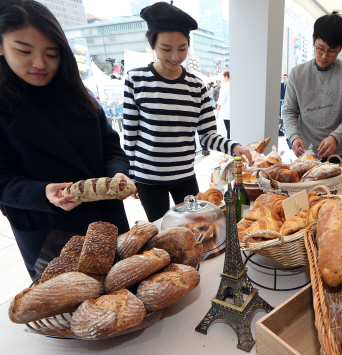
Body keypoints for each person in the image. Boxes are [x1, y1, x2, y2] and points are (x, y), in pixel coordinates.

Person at [0, 0, 131, 280]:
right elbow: (3, 180)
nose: (40, 63)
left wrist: (117, 172)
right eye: (24, 50)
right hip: (48, 227)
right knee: (68, 308)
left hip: (105, 217)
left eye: (52, 53)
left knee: (125, 294)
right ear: (1, 46)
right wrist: (43, 193)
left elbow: (110, 147)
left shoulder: (77, 93)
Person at [124, 3, 251, 222]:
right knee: (161, 234)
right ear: (152, 44)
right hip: (148, 179)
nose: (175, 56)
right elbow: (130, 136)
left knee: (195, 231)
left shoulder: (196, 86)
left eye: (182, 49)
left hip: (184, 176)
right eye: (166, 49)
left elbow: (208, 135)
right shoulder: (135, 79)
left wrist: (235, 147)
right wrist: (131, 176)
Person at [282, 13, 342, 168]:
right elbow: (289, 111)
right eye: (320, 48)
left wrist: (335, 137)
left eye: (332, 51)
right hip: (306, 155)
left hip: (337, 155)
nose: (324, 56)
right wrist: (294, 136)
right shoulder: (297, 73)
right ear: (313, 40)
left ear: (340, 48)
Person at [216, 70, 230, 139]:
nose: (223, 79)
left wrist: (217, 110)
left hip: (227, 112)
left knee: (228, 129)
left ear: (226, 76)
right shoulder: (235, 85)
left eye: (224, 77)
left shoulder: (225, 87)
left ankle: (231, 147)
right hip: (234, 112)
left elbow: (221, 100)